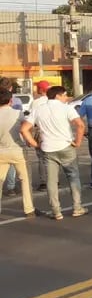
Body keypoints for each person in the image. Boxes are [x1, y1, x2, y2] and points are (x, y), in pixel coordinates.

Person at [21, 86, 88, 220]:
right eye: (64, 95)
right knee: (73, 177)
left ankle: (56, 211)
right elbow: (80, 125)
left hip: (48, 148)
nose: (66, 97)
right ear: (58, 96)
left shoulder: (38, 109)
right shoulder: (66, 108)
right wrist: (78, 141)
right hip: (66, 146)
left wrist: (35, 144)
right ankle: (77, 207)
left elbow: (24, 129)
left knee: (51, 181)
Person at [0, 88, 37, 217]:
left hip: (1, 151)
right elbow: (26, 129)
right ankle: (29, 209)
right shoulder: (18, 114)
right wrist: (30, 142)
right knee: (25, 180)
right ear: (11, 100)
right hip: (18, 150)